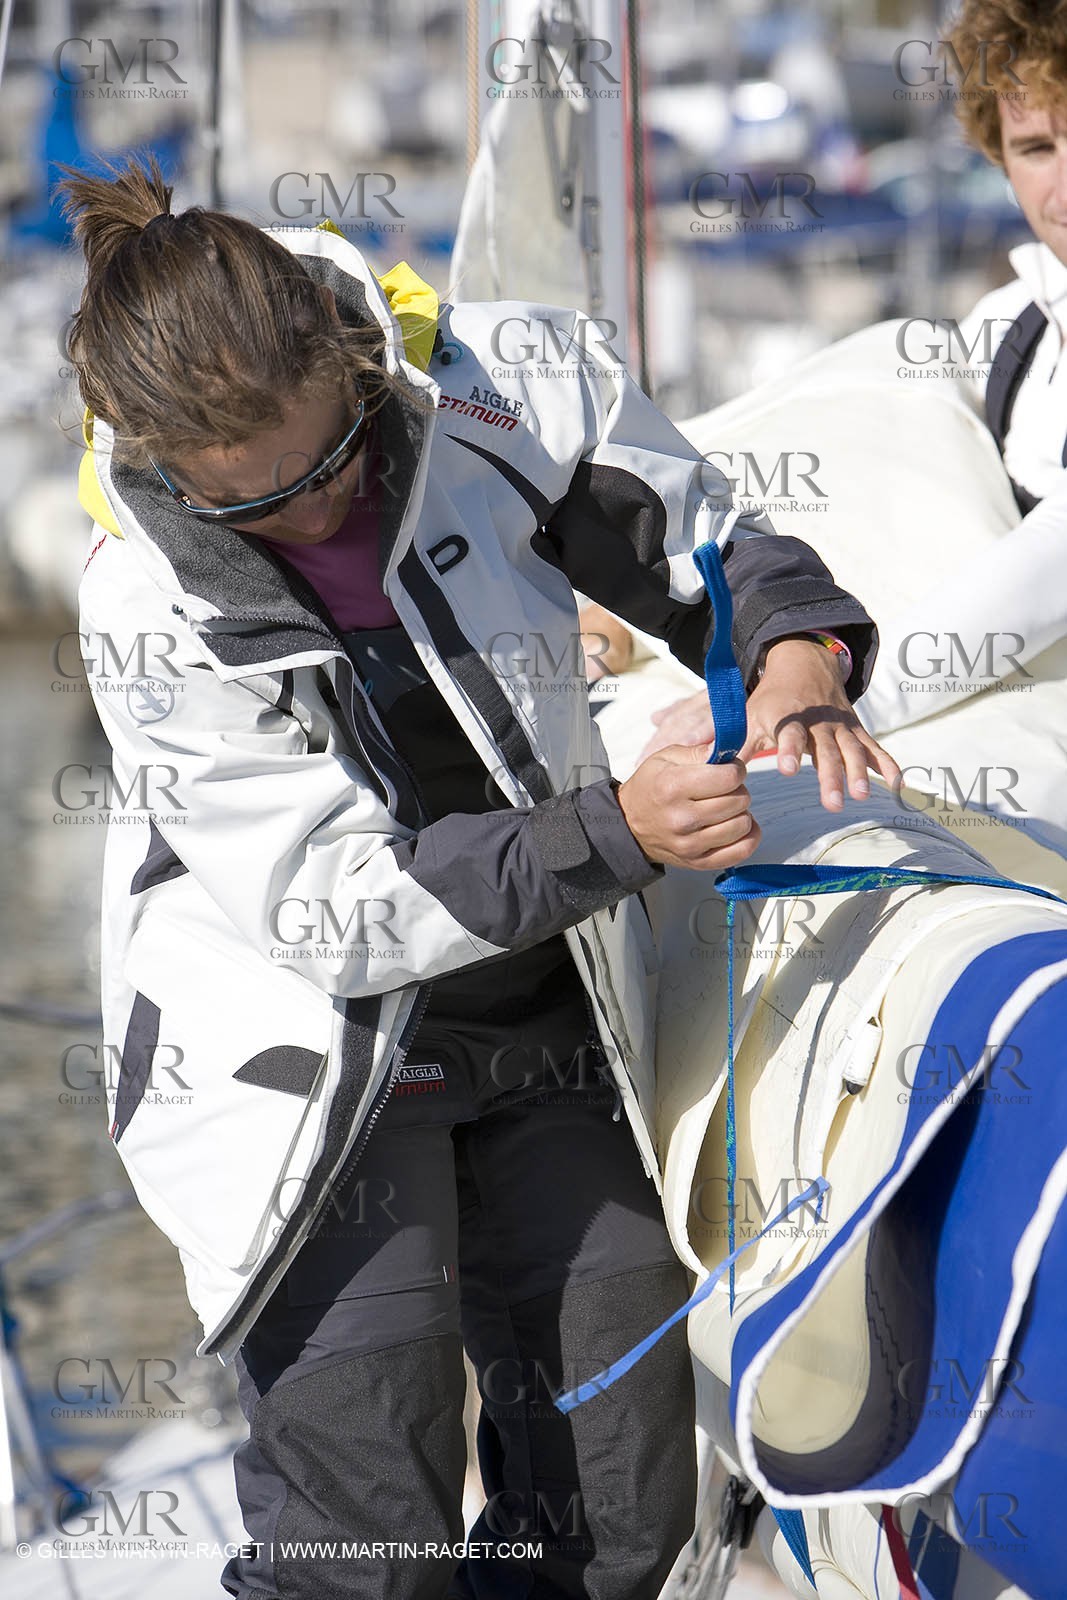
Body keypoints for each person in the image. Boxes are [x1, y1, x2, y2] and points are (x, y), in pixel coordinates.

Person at [61, 156, 897, 1600]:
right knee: (364, 1553)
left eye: (330, 467)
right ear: (158, 463)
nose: (315, 519)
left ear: (354, 365)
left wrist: (793, 650)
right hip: (306, 1074)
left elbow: (700, 538)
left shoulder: (493, 383)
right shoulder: (147, 605)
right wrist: (619, 834)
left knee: (616, 1520)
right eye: (255, 507)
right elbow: (334, 907)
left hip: (546, 1022)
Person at [853, 0, 1067, 738]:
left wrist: (841, 697)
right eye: (1036, 148)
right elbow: (868, 476)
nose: (1064, 190)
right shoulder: (1013, 329)